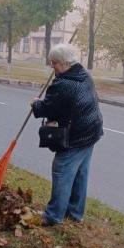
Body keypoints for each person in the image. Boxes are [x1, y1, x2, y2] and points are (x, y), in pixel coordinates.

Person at [30, 43, 103, 226]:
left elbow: (47, 108)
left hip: (76, 136)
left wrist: (35, 104)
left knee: (62, 171)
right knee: (80, 174)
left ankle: (53, 216)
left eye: (54, 63)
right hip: (92, 132)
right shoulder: (85, 75)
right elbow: (67, 106)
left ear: (64, 63)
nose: (52, 66)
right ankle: (75, 213)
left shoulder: (63, 84)